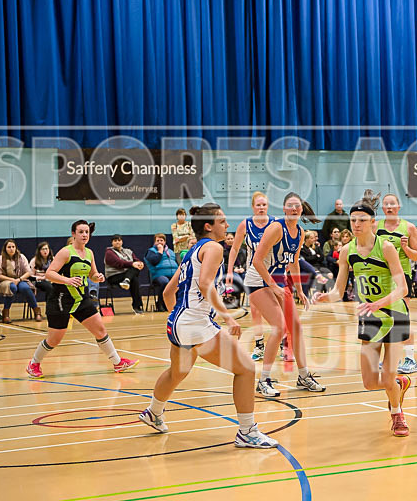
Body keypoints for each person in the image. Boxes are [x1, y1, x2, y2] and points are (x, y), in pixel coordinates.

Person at [138, 203, 278, 448]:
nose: (227, 225)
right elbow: (204, 284)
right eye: (222, 221)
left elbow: (169, 292)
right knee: (246, 369)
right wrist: (227, 317)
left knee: (177, 373)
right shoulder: (213, 247)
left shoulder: (193, 251)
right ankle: (247, 432)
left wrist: (179, 318)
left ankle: (153, 411)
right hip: (195, 323)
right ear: (208, 226)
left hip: (180, 322)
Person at [314, 190, 412, 437]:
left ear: (372, 223)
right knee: (369, 382)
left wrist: (380, 302)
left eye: (361, 220)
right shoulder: (347, 251)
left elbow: (403, 288)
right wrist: (326, 297)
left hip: (394, 314)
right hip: (369, 317)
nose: (356, 225)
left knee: (387, 376)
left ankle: (397, 415)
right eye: (353, 220)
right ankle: (400, 384)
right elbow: (339, 290)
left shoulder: (386, 247)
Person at [25, 220, 138, 378]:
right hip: (61, 298)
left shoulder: (89, 253)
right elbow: (49, 273)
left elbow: (92, 274)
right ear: (73, 234)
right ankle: (34, 364)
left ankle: (117, 362)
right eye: (81, 232)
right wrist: (67, 280)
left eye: (87, 232)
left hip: (80, 298)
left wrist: (97, 277)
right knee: (54, 339)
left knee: (100, 329)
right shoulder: (65, 252)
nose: (85, 235)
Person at [245, 192, 326, 396]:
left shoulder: (299, 232)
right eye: (289, 206)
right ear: (283, 209)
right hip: (258, 281)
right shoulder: (276, 228)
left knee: (296, 328)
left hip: (279, 281)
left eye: (297, 206)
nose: (294, 209)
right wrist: (273, 286)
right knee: (279, 327)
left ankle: (303, 375)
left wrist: (299, 290)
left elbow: (294, 262)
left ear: (301, 208)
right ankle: (263, 380)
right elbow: (256, 260)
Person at [377, 193, 417, 374]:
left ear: (398, 207)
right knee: (385, 317)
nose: (389, 207)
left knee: (403, 317)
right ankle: (389, 358)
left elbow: (416, 255)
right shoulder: (375, 226)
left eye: (392, 204)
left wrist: (405, 248)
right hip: (382, 276)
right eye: (386, 204)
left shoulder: (408, 228)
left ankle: (410, 358)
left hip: (402, 276)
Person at [227, 191, 272, 361]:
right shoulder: (245, 224)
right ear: (253, 207)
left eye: (264, 205)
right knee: (255, 309)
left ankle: (284, 344)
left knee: (278, 309)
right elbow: (234, 249)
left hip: (273, 271)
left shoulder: (275, 223)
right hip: (253, 271)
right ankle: (259, 345)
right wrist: (230, 270)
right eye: (258, 205)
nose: (261, 208)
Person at [0, 239, 41, 323]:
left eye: (13, 247)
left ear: (16, 248)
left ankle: (36, 311)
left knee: (26, 288)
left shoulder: (21, 257)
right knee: (12, 287)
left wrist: (19, 279)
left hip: (20, 279)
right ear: (5, 248)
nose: (11, 249)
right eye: (9, 247)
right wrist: (11, 280)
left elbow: (28, 272)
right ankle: (6, 314)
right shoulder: (0, 258)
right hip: (4, 281)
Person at [104, 235, 145, 314]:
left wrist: (140, 263)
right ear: (112, 243)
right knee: (133, 273)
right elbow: (119, 263)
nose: (117, 242)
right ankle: (137, 306)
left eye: (119, 240)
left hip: (126, 275)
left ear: (122, 242)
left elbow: (135, 260)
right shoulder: (109, 252)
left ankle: (127, 280)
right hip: (114, 276)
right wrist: (133, 264)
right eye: (115, 241)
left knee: (134, 279)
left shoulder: (128, 251)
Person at [145, 233, 179, 312]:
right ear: (154, 242)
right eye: (158, 241)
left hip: (172, 274)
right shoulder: (151, 251)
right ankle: (160, 304)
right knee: (165, 282)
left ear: (165, 242)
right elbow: (153, 261)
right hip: (159, 275)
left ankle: (177, 304)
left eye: (161, 240)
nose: (160, 242)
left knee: (179, 282)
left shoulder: (170, 251)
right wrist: (160, 252)